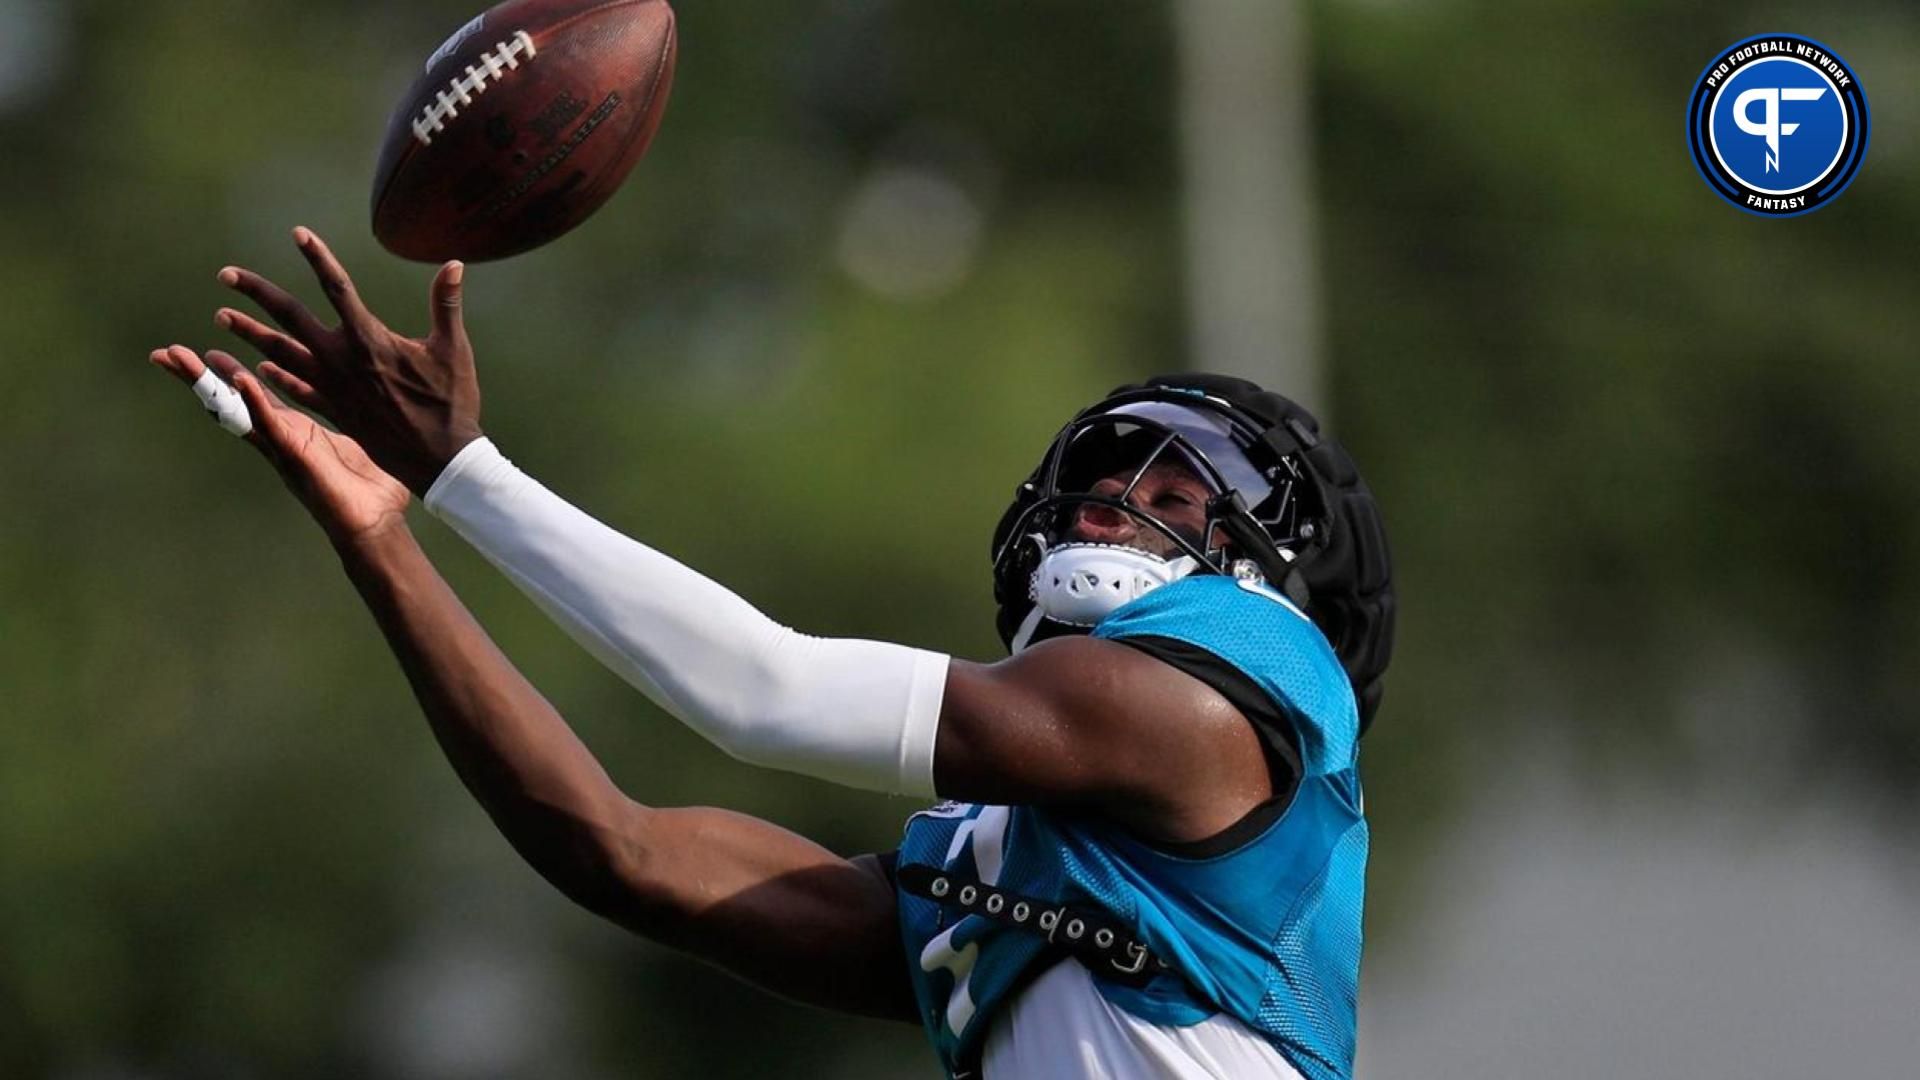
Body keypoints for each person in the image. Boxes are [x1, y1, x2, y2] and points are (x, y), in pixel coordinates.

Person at [150, 227, 1394, 1080]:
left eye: (1176, 488)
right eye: (1100, 477)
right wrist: (382, 537)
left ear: (1283, 577)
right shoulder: (1011, 862)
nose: (1108, 498)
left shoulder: (1244, 685)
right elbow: (624, 853)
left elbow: (764, 691)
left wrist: (465, 480)